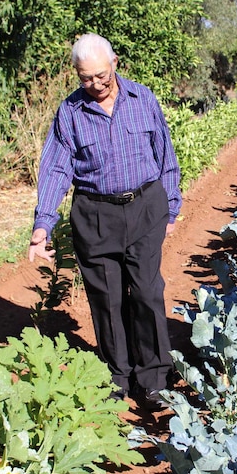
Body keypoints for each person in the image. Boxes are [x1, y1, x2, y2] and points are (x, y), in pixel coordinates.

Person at [28, 33, 181, 412]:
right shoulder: (70, 113)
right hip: (95, 214)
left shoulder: (142, 98)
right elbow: (55, 169)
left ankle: (154, 375)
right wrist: (42, 225)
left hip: (145, 206)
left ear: (115, 62)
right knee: (107, 299)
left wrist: (171, 205)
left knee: (146, 291)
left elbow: (164, 153)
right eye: (85, 78)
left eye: (100, 75)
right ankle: (118, 374)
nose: (95, 84)